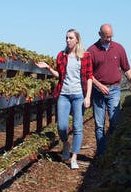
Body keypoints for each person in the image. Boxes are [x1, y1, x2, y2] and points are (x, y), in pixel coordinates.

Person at [35, 29, 93, 169]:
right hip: (64, 95)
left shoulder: (85, 56)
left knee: (78, 127)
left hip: (79, 95)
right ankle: (66, 143)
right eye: (66, 38)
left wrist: (88, 96)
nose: (68, 40)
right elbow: (60, 75)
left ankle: (74, 157)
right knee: (61, 126)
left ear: (77, 40)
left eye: (71, 38)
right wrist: (48, 68)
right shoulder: (61, 55)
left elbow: (89, 77)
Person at [87, 23, 131, 157]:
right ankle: (101, 155)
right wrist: (99, 85)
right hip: (98, 92)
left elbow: (127, 69)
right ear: (99, 34)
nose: (109, 39)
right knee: (99, 124)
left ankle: (112, 150)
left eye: (111, 36)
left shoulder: (119, 48)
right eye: (106, 37)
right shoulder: (91, 51)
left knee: (115, 120)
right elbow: (88, 74)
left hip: (114, 89)